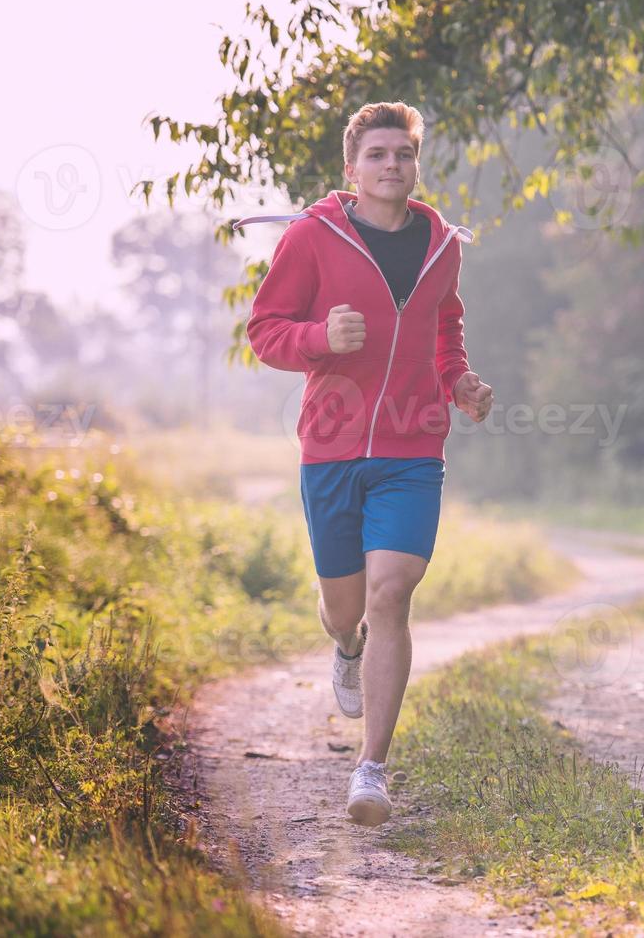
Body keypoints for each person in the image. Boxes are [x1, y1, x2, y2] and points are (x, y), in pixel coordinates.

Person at [234, 101, 494, 827]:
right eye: (377, 155)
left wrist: (459, 381)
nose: (392, 166)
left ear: (415, 164)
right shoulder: (313, 237)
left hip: (414, 448)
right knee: (347, 609)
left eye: (403, 155)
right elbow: (265, 330)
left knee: (392, 592)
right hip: (333, 446)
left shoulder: (443, 244)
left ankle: (371, 771)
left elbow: (446, 324)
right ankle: (345, 646)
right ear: (351, 170)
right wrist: (320, 336)